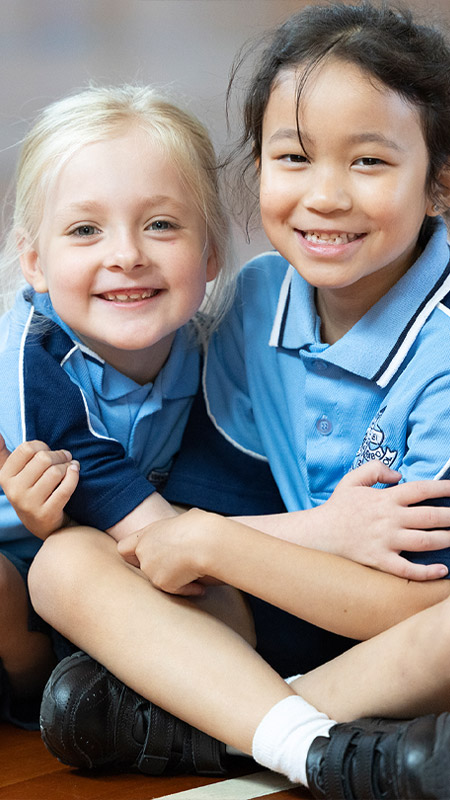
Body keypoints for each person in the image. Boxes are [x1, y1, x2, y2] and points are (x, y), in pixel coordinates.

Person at [5, 2, 450, 798]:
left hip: (398, 631)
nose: (327, 196)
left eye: (371, 163)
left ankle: (219, 727)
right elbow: (192, 518)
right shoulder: (256, 300)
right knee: (66, 563)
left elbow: (411, 603)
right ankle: (300, 735)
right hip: (253, 615)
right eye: (295, 157)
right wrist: (295, 536)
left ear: (439, 183)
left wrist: (218, 545)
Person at [0, 82, 241, 729]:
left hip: (123, 553)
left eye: (160, 224)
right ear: (35, 261)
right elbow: (120, 504)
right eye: (85, 229)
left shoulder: (209, 348)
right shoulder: (35, 354)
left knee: (228, 605)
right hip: (33, 555)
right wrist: (323, 535)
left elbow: (215, 493)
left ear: (211, 251)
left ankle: (139, 697)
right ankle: (30, 685)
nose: (128, 255)